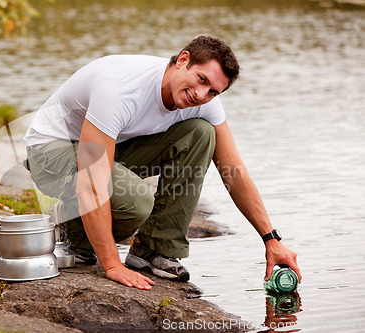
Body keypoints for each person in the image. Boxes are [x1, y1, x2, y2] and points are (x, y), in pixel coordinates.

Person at [23, 36, 302, 290]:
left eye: (213, 92)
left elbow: (234, 172)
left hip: (106, 149)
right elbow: (92, 186)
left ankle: (154, 249)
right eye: (201, 80)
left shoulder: (203, 102)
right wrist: (112, 266)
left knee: (201, 134)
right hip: (51, 152)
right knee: (137, 201)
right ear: (183, 60)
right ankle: (74, 230)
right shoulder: (119, 88)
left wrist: (270, 239)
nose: (201, 95)